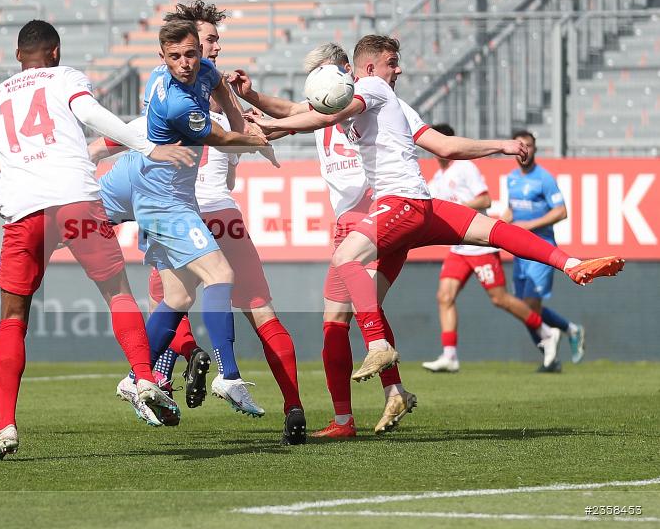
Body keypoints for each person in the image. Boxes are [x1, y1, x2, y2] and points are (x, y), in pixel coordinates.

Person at [239, 34, 623, 398]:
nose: (400, 70)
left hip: (398, 205)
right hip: (423, 207)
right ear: (370, 67)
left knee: (344, 259)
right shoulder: (382, 96)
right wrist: (501, 145)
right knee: (495, 231)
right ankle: (571, 264)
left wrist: (272, 124)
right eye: (393, 63)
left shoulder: (371, 89)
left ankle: (376, 344)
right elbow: (443, 145)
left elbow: (321, 118)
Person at [0, 20, 196, 460]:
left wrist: (1, 205)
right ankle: (143, 376)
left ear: (17, 56)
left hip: (25, 215)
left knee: (13, 318)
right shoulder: (65, 77)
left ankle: (6, 426)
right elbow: (91, 116)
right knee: (117, 294)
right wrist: (146, 145)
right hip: (78, 204)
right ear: (55, 51)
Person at [95, 1, 305, 444]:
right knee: (228, 293)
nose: (203, 56)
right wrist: (252, 134)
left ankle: (145, 378)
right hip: (180, 208)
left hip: (195, 209)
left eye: (208, 47)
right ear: (168, 53)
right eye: (201, 45)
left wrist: (242, 119)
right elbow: (228, 139)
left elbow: (108, 145)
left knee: (176, 298)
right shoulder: (177, 105)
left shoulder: (206, 83)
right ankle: (219, 376)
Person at [230, 43, 414, 437]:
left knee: (342, 318)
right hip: (350, 218)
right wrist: (253, 99)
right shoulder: (324, 104)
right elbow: (297, 112)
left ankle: (358, 412)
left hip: (373, 212)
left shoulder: (371, 102)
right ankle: (383, 396)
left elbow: (297, 118)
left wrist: (271, 124)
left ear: (350, 70)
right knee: (347, 317)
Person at [422, 124, 577, 373]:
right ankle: (450, 355)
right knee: (444, 296)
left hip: (478, 247)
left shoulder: (465, 167)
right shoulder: (437, 178)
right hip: (458, 249)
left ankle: (547, 332)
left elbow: (485, 199)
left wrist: (458, 209)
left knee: (500, 299)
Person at [501, 130, 585, 372]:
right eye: (519, 146)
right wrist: (499, 224)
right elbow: (511, 210)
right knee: (524, 308)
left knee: (527, 306)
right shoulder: (512, 178)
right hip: (519, 252)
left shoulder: (544, 178)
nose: (523, 150)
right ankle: (567, 334)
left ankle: (555, 348)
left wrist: (528, 225)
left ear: (535, 148)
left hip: (541, 250)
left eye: (528, 145)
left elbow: (561, 211)